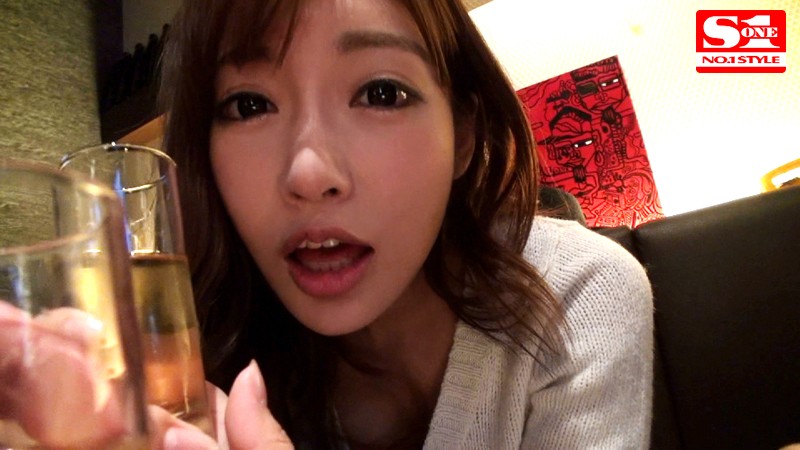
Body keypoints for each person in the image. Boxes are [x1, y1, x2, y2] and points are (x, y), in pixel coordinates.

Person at [152, 0, 655, 448]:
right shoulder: (193, 347)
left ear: (462, 134)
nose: (309, 175)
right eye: (250, 105)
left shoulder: (573, 297)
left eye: (381, 94)